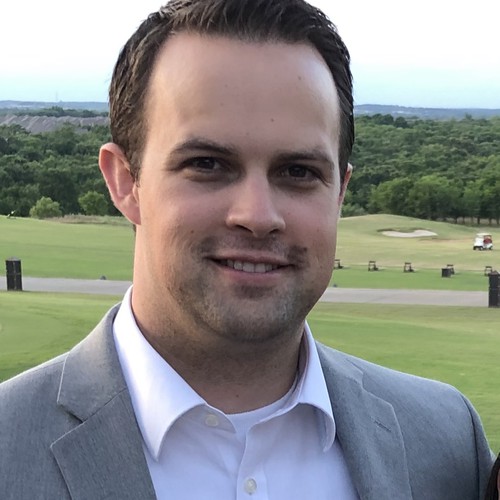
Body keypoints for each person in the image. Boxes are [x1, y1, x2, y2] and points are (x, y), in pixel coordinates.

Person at [0, 1, 494, 498]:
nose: (257, 215)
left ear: (340, 193)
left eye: (298, 172)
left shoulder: (447, 442)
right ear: (125, 181)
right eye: (208, 164)